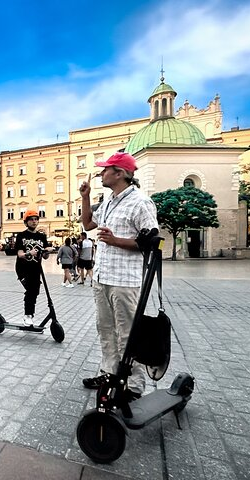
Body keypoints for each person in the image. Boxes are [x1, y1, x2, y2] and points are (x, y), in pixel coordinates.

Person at [79, 152, 159, 402]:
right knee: (105, 330)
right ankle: (110, 374)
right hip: (102, 277)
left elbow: (151, 242)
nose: (101, 173)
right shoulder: (109, 201)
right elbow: (88, 224)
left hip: (125, 281)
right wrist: (85, 197)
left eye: (106, 169)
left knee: (128, 334)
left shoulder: (140, 202)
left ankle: (133, 386)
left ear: (120, 173)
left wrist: (116, 241)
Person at [14, 210, 52, 325]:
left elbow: (45, 257)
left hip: (36, 268)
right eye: (31, 219)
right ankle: (28, 315)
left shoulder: (42, 236)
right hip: (23, 269)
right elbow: (20, 254)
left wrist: (47, 251)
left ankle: (30, 314)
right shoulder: (21, 236)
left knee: (35, 291)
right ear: (26, 222)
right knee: (30, 290)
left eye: (36, 219)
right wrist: (29, 253)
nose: (34, 221)